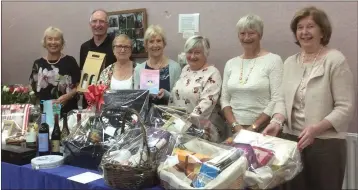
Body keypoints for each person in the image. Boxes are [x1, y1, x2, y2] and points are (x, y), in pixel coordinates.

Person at [263, 6, 356, 190]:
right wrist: (277, 121)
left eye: (310, 26)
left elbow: (345, 107)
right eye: (299, 27)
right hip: (291, 143)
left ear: (322, 31)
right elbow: (281, 99)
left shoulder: (335, 61)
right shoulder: (290, 62)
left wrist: (315, 129)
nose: (304, 32)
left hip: (325, 145)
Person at [221, 14, 283, 135]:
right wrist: (235, 125)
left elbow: (277, 99)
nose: (246, 37)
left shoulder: (274, 60)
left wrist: (254, 127)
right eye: (242, 33)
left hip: (263, 130)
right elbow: (224, 99)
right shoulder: (230, 63)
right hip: (233, 129)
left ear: (260, 35)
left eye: (251, 33)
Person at [29, 26, 81, 117]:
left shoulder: (70, 61)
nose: (53, 42)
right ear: (45, 42)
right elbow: (34, 89)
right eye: (50, 39)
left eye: (57, 39)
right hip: (46, 114)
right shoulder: (38, 64)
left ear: (62, 43)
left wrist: (68, 96)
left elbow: (80, 86)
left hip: (69, 113)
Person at [134, 25, 181, 105]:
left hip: (169, 115)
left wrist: (166, 94)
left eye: (158, 41)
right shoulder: (139, 69)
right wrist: (139, 93)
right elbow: (136, 99)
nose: (155, 45)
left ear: (164, 44)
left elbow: (179, 98)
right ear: (146, 45)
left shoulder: (175, 67)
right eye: (151, 41)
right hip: (146, 116)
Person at [80, 9, 116, 108]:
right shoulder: (84, 47)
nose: (98, 24)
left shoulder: (116, 46)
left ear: (107, 25)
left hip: (110, 100)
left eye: (102, 21)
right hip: (89, 101)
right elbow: (83, 74)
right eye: (94, 21)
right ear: (90, 24)